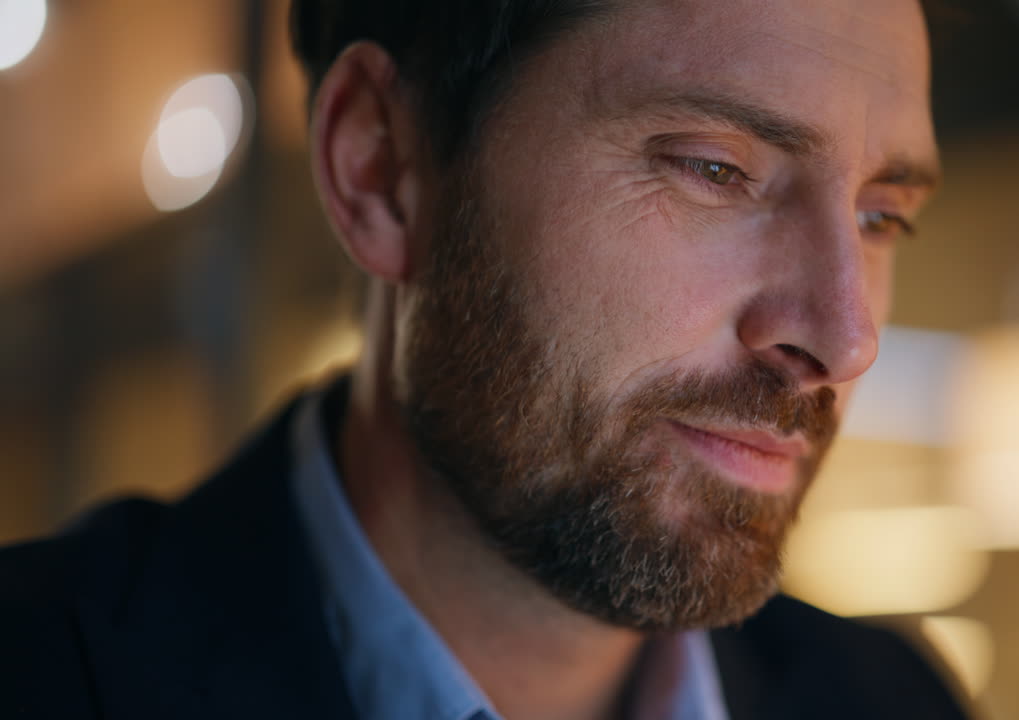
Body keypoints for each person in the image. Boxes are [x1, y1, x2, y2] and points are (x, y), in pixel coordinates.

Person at [1, 0, 968, 718]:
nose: (846, 341)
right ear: (381, 170)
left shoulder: (892, 702)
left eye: (882, 218)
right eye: (715, 170)